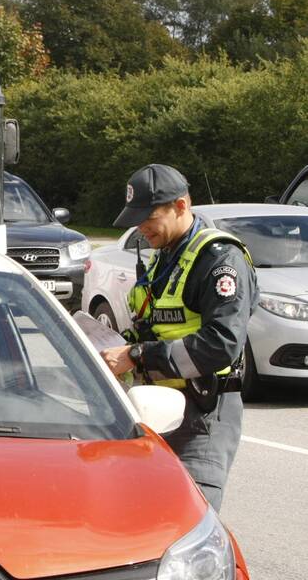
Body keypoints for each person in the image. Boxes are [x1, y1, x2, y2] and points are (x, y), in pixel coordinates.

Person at [99, 164, 257, 511]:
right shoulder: (166, 258)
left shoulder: (219, 261)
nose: (140, 227)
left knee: (188, 519)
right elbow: (151, 328)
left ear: (180, 206)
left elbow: (222, 344)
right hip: (157, 411)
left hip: (203, 414)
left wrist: (139, 355)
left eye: (148, 217)